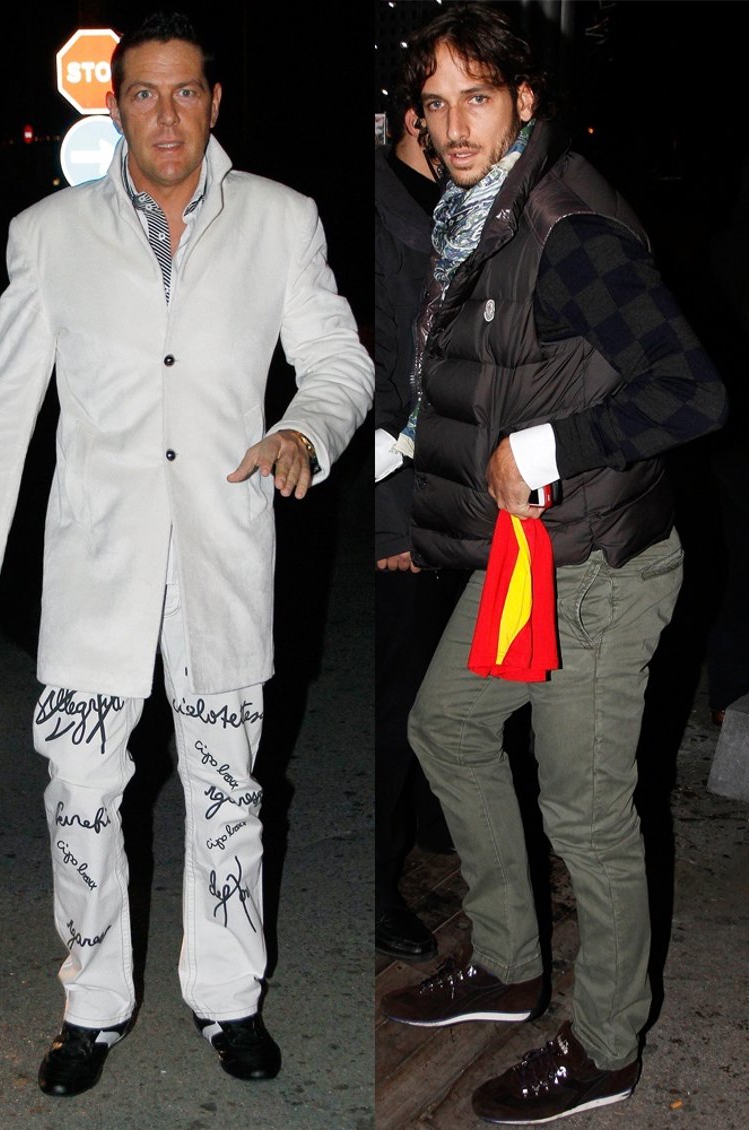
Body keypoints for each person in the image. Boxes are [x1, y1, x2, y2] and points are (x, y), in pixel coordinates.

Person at [0, 11, 372, 1099]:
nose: (168, 115)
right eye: (144, 93)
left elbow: (340, 362)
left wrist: (305, 430)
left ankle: (229, 996)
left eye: (186, 91)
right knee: (80, 792)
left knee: (228, 788)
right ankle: (90, 1005)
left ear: (215, 101)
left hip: (222, 558)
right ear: (116, 105)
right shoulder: (49, 234)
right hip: (96, 567)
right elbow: (6, 411)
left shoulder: (281, 220)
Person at [379, 6, 727, 1124]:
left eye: (477, 98)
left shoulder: (567, 230)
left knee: (585, 813)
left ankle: (609, 1047)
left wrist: (546, 447)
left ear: (524, 100)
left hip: (599, 569)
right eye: (436, 103)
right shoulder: (478, 214)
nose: (453, 126)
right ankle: (509, 962)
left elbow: (693, 391)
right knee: (446, 727)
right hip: (529, 557)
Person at [373, 94, 462, 963]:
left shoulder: (459, 204)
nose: (458, 130)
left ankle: (435, 830)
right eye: (439, 109)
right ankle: (375, 885)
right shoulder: (383, 214)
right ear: (410, 118)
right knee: (394, 702)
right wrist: (390, 520)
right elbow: (367, 386)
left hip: (458, 499)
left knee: (440, 686)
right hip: (405, 510)